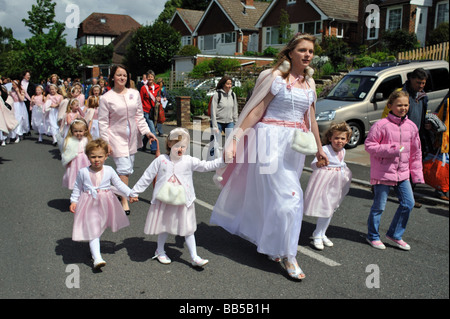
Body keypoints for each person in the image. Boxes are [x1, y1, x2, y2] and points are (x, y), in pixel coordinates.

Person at [210, 33, 328, 280]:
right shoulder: (275, 78)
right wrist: (234, 140)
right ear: (290, 52)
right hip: (269, 142)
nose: (307, 55)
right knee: (291, 200)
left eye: (311, 51)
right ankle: (289, 255)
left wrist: (320, 148)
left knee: (278, 199)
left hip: (295, 147)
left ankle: (272, 244)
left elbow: (312, 119)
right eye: (302, 50)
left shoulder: (310, 83)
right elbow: (255, 112)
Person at [129, 128, 225, 267]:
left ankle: (194, 256)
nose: (180, 149)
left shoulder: (189, 161)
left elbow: (206, 166)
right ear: (169, 145)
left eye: (183, 146)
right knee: (164, 226)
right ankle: (160, 250)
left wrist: (224, 160)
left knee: (188, 229)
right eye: (176, 146)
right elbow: (147, 176)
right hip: (165, 200)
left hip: (183, 201)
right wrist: (135, 192)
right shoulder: (161, 160)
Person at [365, 90, 424, 251]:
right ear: (390, 106)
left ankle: (395, 234)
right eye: (399, 105)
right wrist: (391, 149)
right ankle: (373, 236)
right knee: (379, 206)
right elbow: (369, 146)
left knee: (408, 204)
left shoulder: (411, 127)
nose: (403, 108)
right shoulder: (380, 125)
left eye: (405, 105)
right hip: (383, 173)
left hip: (403, 173)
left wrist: (417, 175)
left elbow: (416, 153)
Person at [98, 64, 156, 215]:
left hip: (132, 137)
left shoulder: (134, 94)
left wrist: (147, 132)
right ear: (112, 77)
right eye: (119, 75)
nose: (122, 78)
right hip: (115, 137)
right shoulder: (106, 98)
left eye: (124, 75)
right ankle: (124, 200)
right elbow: (103, 122)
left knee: (128, 170)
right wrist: (105, 143)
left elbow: (139, 116)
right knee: (123, 169)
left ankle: (112, 190)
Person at [70, 138, 132, 270]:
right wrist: (74, 201)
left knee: (100, 226)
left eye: (100, 156)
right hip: (89, 203)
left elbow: (119, 184)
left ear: (106, 156)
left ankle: (95, 249)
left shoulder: (109, 170)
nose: (96, 160)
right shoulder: (83, 172)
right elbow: (77, 188)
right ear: (87, 157)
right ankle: (97, 258)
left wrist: (130, 193)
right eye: (93, 157)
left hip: (105, 202)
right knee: (93, 229)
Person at [304, 122, 352, 250]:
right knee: (325, 208)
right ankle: (317, 235)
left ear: (347, 140)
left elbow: (341, 164)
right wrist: (319, 164)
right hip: (325, 182)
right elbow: (313, 165)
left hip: (337, 183)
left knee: (331, 209)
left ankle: (321, 233)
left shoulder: (343, 151)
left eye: (343, 138)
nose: (339, 141)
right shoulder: (324, 150)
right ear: (330, 138)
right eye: (336, 138)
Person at [209, 76, 238, 158]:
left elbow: (235, 109)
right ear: (223, 84)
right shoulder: (217, 95)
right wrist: (214, 126)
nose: (229, 86)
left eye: (230, 84)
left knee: (230, 142)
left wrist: (236, 123)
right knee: (215, 143)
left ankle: (227, 160)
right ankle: (213, 161)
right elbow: (213, 111)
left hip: (229, 122)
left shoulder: (233, 95)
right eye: (227, 84)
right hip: (218, 122)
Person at [61, 118, 92, 190]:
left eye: (80, 131)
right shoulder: (70, 140)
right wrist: (68, 161)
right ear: (72, 131)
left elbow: (90, 150)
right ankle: (76, 195)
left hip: (85, 161)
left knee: (86, 178)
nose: (78, 133)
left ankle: (84, 195)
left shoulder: (86, 139)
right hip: (74, 162)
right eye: (76, 131)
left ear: (85, 131)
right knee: (75, 177)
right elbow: (66, 152)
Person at [139, 70, 159, 154]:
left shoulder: (158, 87)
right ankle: (154, 148)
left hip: (154, 112)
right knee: (153, 130)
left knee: (149, 129)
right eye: (149, 77)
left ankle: (142, 145)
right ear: (146, 78)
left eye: (151, 76)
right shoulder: (144, 88)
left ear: (154, 78)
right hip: (146, 111)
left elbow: (159, 96)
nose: (150, 78)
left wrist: (160, 99)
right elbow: (140, 100)